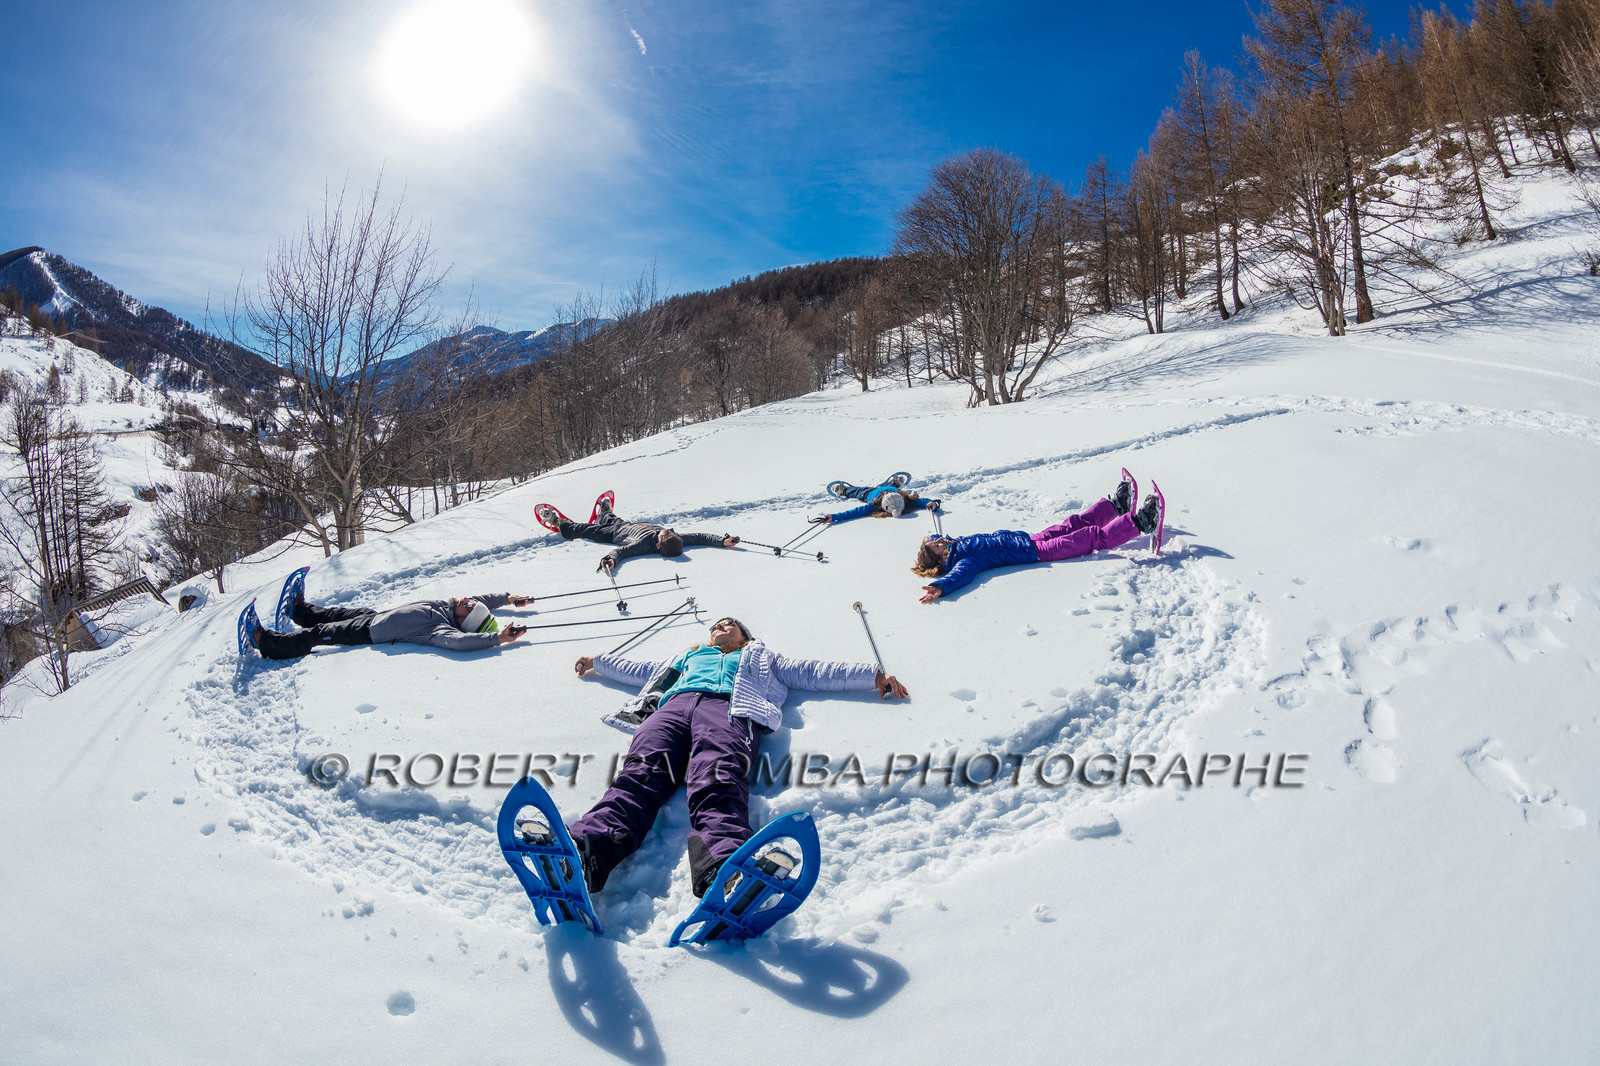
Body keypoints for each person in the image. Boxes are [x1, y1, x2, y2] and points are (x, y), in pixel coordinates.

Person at [556, 616, 909, 899]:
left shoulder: (763, 658)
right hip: (671, 710)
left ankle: (723, 866)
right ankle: (587, 849)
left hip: (728, 710)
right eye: (715, 626)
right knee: (639, 776)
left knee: (718, 779)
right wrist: (597, 661)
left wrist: (872, 676)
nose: (720, 627)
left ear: (744, 636)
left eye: (729, 624)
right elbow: (638, 670)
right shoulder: (687, 656)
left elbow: (812, 671)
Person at [914, 476, 1163, 603]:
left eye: (934, 541)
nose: (938, 541)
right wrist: (941, 586)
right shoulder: (964, 560)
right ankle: (1142, 522)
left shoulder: (955, 544)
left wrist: (930, 537)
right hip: (1036, 553)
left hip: (1028, 540)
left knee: (1074, 523)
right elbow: (960, 576)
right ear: (941, 558)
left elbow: (936, 537)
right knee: (1089, 538)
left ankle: (1116, 506)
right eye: (936, 546)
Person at [248, 592, 532, 659]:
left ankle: (268, 643)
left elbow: (460, 643)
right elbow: (483, 600)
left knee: (320, 634)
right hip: (375, 617)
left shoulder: (439, 630)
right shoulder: (448, 609)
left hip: (369, 632)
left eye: (468, 607)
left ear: (463, 620)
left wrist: (498, 639)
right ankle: (299, 611)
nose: (468, 600)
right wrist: (507, 598)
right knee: (334, 615)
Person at [536, 495, 738, 572]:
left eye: (665, 534)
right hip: (627, 524)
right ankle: (604, 513)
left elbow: (622, 552)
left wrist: (610, 560)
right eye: (669, 531)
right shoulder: (677, 540)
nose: (667, 530)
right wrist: (722, 541)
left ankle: (559, 523)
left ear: (657, 545)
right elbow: (701, 537)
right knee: (612, 517)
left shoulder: (642, 546)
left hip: (612, 534)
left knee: (584, 530)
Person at [812, 487, 939, 525]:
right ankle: (894, 484)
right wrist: (932, 503)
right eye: (888, 494)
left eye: (886, 495)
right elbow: (923, 501)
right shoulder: (906, 500)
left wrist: (834, 517)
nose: (886, 493)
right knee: (889, 485)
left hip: (869, 493)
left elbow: (855, 512)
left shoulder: (874, 504)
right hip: (889, 486)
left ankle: (844, 490)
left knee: (857, 492)